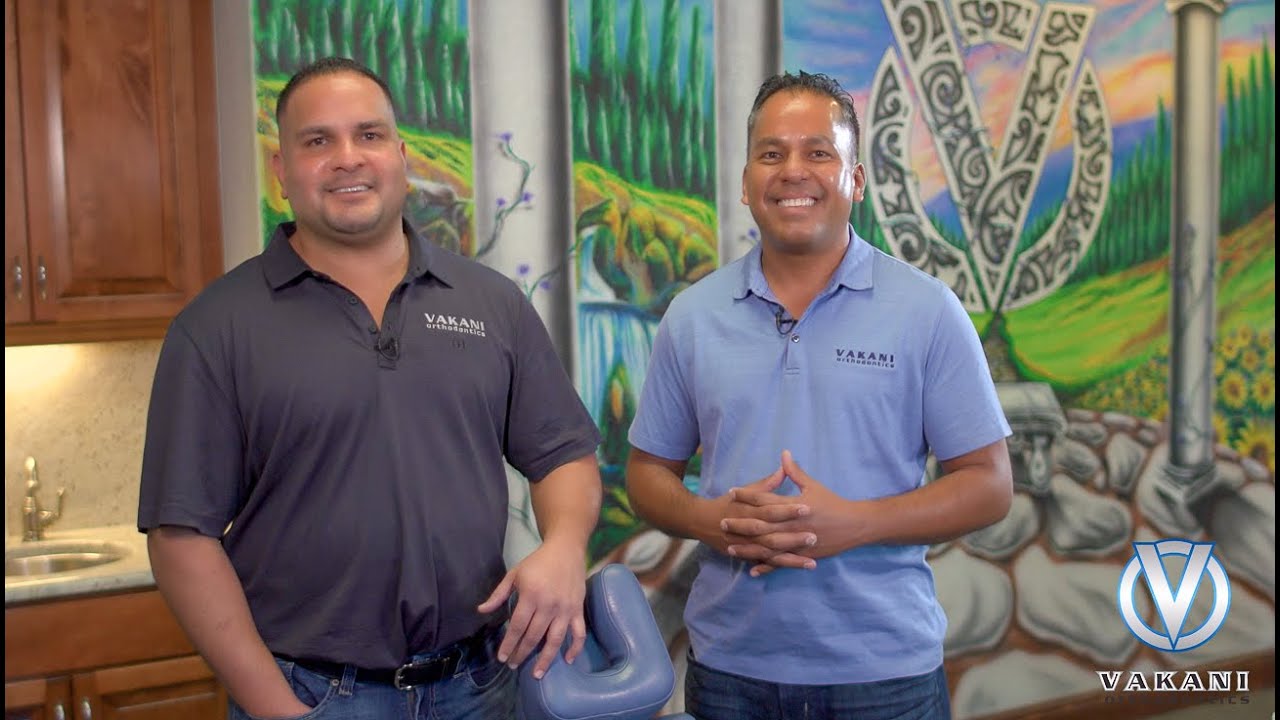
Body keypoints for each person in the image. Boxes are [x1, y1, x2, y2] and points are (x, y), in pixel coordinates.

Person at [138, 57, 602, 720]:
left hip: (479, 687)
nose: (348, 157)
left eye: (369, 135)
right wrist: (279, 710)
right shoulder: (216, 327)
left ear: (401, 157)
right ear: (281, 170)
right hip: (309, 693)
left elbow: (562, 455)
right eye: (317, 140)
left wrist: (563, 547)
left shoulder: (492, 303)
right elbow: (181, 537)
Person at [625, 71, 1013, 719]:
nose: (792, 171)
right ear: (746, 183)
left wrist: (858, 523)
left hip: (884, 676)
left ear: (855, 180)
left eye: (819, 152)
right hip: (730, 673)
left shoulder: (927, 310)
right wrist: (711, 521)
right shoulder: (692, 317)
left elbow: (990, 484)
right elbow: (646, 475)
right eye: (771, 153)